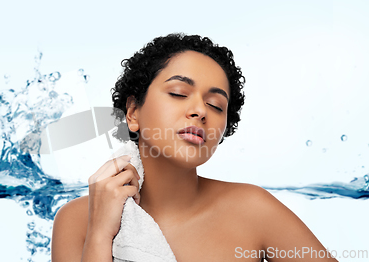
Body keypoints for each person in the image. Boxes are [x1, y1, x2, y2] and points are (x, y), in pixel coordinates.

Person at [51, 33, 337, 261]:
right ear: (133, 112)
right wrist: (100, 234)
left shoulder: (254, 210)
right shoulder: (77, 221)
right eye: (178, 93)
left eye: (216, 105)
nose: (201, 110)